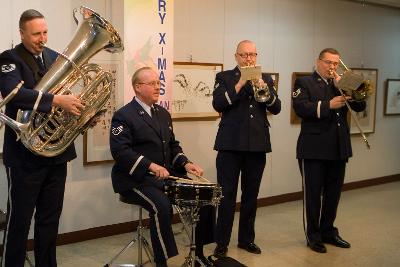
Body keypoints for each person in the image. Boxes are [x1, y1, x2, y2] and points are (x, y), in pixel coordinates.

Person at [0, 9, 85, 267]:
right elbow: (14, 94)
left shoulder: (54, 57)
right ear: (22, 33)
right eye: (36, 33)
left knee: (50, 219)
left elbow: (70, 92)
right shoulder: (9, 59)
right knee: (20, 220)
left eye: (45, 32)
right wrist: (57, 100)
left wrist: (81, 108)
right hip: (24, 155)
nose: (42, 38)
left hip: (56, 154)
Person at [109, 67, 215, 267]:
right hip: (134, 180)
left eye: (159, 83)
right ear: (138, 87)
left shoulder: (163, 113)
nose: (158, 87)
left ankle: (199, 252)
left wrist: (186, 163)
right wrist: (151, 166)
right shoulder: (124, 115)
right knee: (162, 206)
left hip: (163, 179)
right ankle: (162, 262)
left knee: (205, 197)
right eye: (153, 84)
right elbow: (120, 152)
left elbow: (173, 146)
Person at [292, 48, 366, 253]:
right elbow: (301, 108)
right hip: (313, 149)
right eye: (328, 63)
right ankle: (313, 236)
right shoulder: (305, 82)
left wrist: (348, 88)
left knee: (333, 195)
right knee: (313, 196)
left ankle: (328, 232)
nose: (332, 67)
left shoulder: (340, 83)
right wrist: (328, 105)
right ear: (318, 62)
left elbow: (360, 106)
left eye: (335, 63)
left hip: (338, 148)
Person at [212, 40, 281, 257]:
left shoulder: (266, 78)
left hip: (257, 145)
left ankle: (246, 240)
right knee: (227, 196)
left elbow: (277, 108)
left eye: (252, 54)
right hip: (230, 145)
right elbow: (218, 104)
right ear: (236, 57)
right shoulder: (224, 78)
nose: (249, 58)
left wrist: (264, 89)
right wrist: (240, 83)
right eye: (244, 55)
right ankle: (221, 242)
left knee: (251, 196)